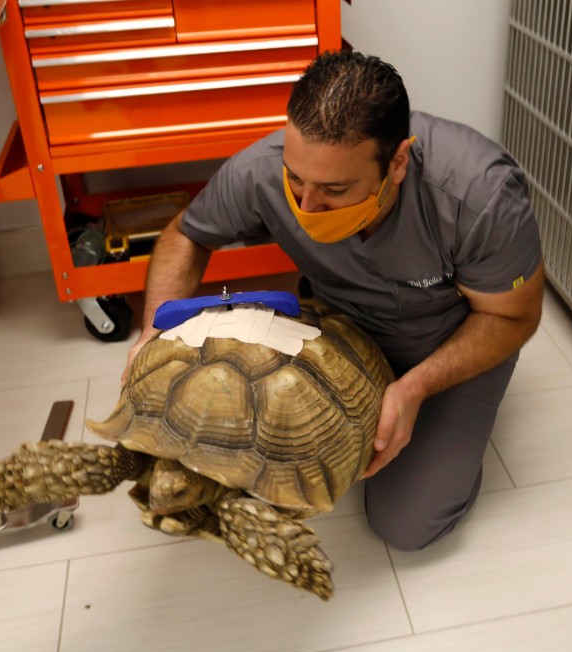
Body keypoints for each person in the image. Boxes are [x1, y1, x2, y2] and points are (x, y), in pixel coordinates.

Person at [124, 50, 544, 551]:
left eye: (334, 189)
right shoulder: (262, 169)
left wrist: (416, 389)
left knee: (407, 525)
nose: (305, 206)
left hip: (447, 345)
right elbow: (186, 235)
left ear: (398, 163)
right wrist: (152, 331)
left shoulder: (479, 195)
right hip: (338, 333)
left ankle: (461, 436)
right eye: (295, 179)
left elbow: (512, 315)